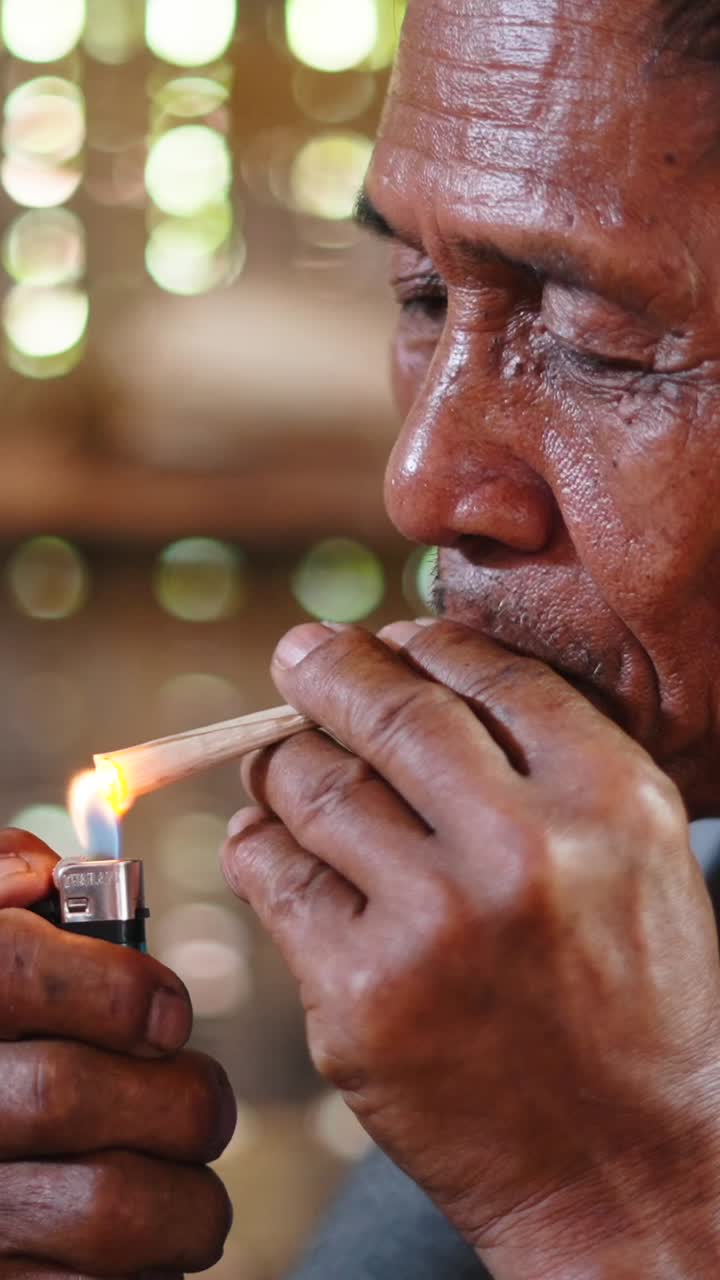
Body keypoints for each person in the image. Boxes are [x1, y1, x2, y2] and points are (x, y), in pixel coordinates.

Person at [3, 0, 720, 1274]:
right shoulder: (617, 956)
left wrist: (619, 1207)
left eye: (606, 345)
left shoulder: (594, 1060)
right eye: (426, 294)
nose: (426, 483)